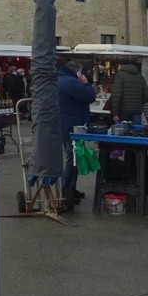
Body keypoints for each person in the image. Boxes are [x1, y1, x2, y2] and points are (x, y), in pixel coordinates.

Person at [58, 60, 97, 202]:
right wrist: (86, 83)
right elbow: (89, 96)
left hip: (65, 123)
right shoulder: (70, 82)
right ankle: (67, 190)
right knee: (72, 157)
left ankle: (71, 189)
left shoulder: (60, 80)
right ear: (78, 72)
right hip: (72, 125)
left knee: (74, 157)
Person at [109, 60, 148, 126]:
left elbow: (116, 96)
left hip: (123, 110)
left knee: (122, 132)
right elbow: (147, 95)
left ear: (121, 65)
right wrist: (139, 102)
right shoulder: (140, 77)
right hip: (137, 110)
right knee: (136, 132)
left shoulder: (120, 75)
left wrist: (115, 113)